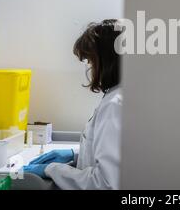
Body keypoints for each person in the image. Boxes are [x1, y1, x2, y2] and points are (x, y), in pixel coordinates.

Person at [23, 20, 122, 190]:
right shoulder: (119, 96)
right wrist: (75, 155)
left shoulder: (115, 105)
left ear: (105, 60)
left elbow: (105, 183)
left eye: (90, 61)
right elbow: (114, 158)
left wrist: (52, 169)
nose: (89, 68)